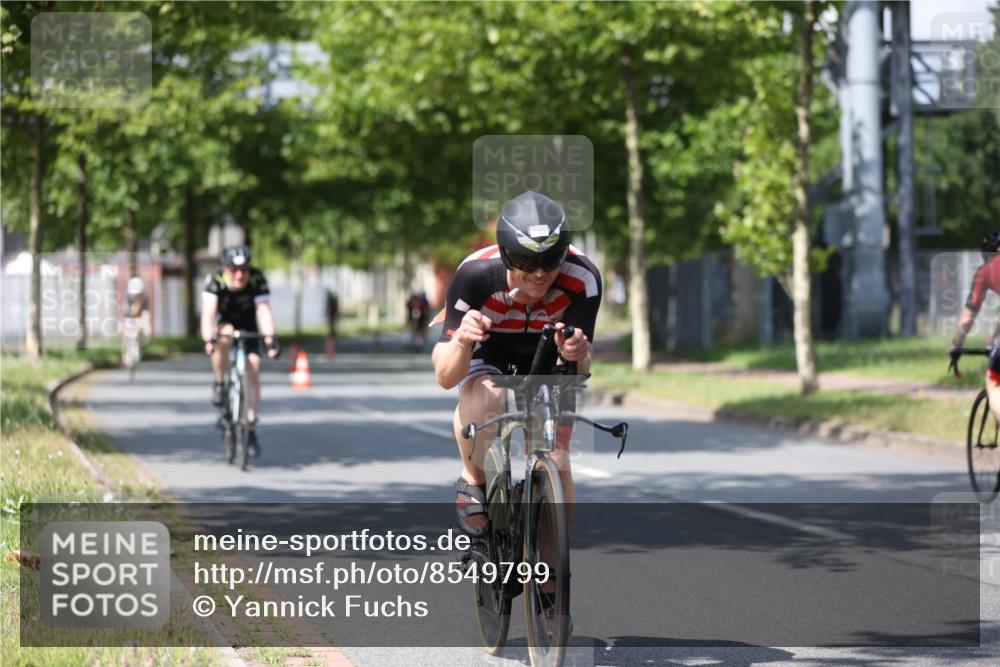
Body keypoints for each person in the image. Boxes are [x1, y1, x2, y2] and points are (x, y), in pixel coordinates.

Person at [201, 244, 280, 458]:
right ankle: (219, 383)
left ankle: (251, 427)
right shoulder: (215, 280)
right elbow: (208, 315)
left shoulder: (256, 279)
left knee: (254, 367)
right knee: (223, 337)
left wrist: (271, 340)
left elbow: (263, 312)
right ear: (225, 269)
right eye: (234, 270)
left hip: (248, 324)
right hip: (225, 322)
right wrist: (209, 339)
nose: (239, 275)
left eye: (244, 270)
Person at [951, 231, 1000, 421]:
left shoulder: (986, 270)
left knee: (994, 383)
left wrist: (956, 345)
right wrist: (995, 336)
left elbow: (967, 318)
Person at [122, 276, 152, 361]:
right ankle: (125, 353)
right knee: (126, 333)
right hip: (129, 319)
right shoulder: (128, 297)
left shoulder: (145, 298)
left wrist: (146, 325)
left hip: (141, 318)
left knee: (145, 330)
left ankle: (141, 347)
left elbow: (145, 313)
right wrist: (137, 303)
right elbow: (129, 313)